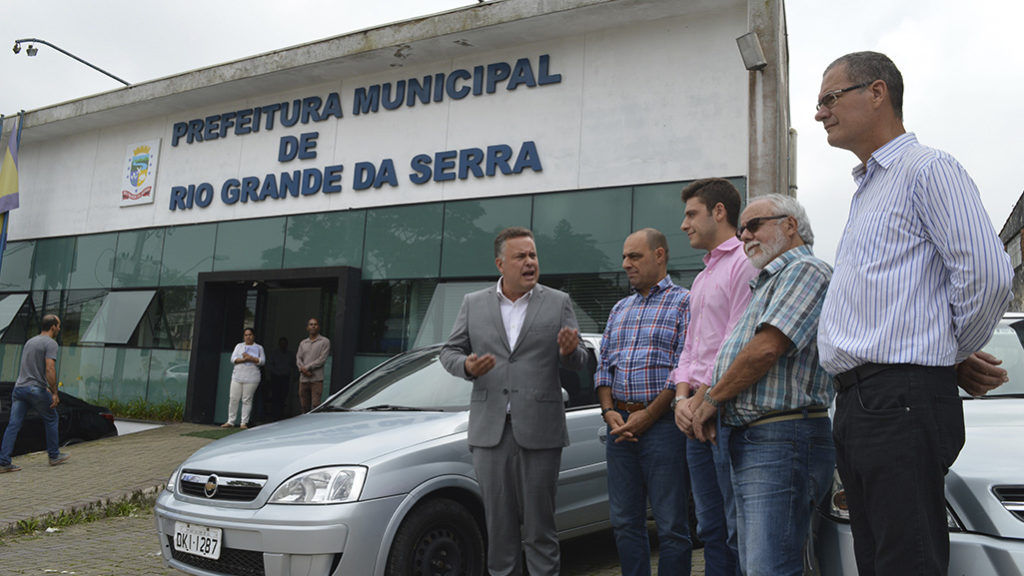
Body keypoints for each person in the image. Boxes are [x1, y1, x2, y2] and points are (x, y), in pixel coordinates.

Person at [814, 51, 1013, 575]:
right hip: (861, 402)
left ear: (876, 93)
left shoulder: (927, 169)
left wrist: (948, 352)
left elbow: (988, 274)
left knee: (906, 559)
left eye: (829, 98)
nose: (820, 113)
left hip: (896, 399)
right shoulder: (868, 189)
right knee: (878, 558)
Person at [681, 194, 835, 576]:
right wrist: (703, 397)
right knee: (754, 562)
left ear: (790, 226)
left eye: (754, 225)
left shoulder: (806, 271)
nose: (744, 234)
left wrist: (711, 399)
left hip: (782, 436)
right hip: (757, 438)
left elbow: (766, 349)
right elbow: (733, 356)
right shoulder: (765, 282)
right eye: (743, 227)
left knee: (770, 566)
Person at [440, 226, 588, 576]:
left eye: (533, 255)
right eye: (520, 256)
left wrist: (569, 352)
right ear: (500, 263)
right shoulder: (473, 304)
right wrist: (467, 366)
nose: (529, 262)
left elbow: (580, 359)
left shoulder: (557, 302)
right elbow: (448, 352)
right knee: (500, 530)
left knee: (540, 529)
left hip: (541, 431)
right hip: (490, 433)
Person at [596, 228, 692, 576]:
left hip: (664, 426)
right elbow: (603, 368)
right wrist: (609, 412)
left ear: (660, 255)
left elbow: (685, 367)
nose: (625, 264)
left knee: (670, 526)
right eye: (624, 257)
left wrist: (649, 416)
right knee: (624, 523)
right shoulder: (620, 308)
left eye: (634, 256)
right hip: (620, 427)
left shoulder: (685, 302)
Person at [672, 178, 757, 576]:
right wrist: (681, 400)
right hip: (696, 414)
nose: (684, 224)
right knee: (709, 527)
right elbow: (690, 349)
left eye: (691, 213)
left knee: (735, 525)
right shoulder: (703, 277)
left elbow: (735, 342)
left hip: (726, 413)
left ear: (718, 212)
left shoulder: (744, 262)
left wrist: (702, 402)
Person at [0, 314, 71, 472]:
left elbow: (29, 368)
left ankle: (3, 462)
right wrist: (54, 392)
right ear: (53, 327)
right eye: (58, 325)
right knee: (52, 418)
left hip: (19, 389)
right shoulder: (50, 343)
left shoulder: (30, 341)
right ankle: (54, 456)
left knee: (14, 424)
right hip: (34, 389)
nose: (59, 328)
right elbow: (49, 368)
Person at [222, 328, 265, 429]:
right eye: (246, 335)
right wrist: (243, 359)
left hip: (252, 378)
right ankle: (230, 421)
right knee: (233, 398)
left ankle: (243, 422)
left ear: (253, 336)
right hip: (237, 376)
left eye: (250, 335)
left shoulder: (259, 347)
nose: (248, 337)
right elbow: (233, 359)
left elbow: (262, 361)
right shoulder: (239, 346)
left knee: (247, 399)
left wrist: (251, 358)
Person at [296, 318, 330, 412]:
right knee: (304, 405)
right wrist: (302, 370)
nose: (313, 326)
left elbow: (322, 359)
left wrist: (306, 368)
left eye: (315, 324)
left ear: (318, 327)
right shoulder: (303, 343)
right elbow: (298, 358)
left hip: (316, 379)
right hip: (303, 379)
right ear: (307, 328)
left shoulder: (324, 341)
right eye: (311, 324)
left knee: (316, 405)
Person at [266, 337, 293, 420]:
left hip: (286, 378)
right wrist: (277, 372)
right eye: (281, 343)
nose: (283, 345)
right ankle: (274, 415)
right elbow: (270, 365)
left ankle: (281, 414)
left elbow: (293, 365)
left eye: (285, 343)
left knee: (283, 396)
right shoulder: (274, 354)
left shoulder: (290, 354)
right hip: (276, 378)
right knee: (275, 396)